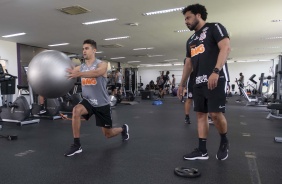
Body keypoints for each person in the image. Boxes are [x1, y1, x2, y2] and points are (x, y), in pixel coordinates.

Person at [178, 4, 231, 161]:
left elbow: (225, 48)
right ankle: (202, 150)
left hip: (216, 77)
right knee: (201, 114)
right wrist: (181, 84)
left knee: (215, 114)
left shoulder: (215, 27)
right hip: (198, 81)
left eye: (188, 17)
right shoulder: (190, 40)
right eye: (185, 19)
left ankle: (224, 141)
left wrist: (216, 71)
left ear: (198, 15)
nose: (186, 21)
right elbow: (188, 64)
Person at [65, 39, 129, 157]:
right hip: (88, 101)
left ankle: (123, 129)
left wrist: (78, 74)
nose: (84, 51)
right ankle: (76, 145)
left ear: (94, 50)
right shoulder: (80, 67)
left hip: (102, 104)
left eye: (87, 48)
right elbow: (65, 74)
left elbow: (96, 73)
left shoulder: (102, 64)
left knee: (108, 134)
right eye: (83, 48)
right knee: (76, 110)